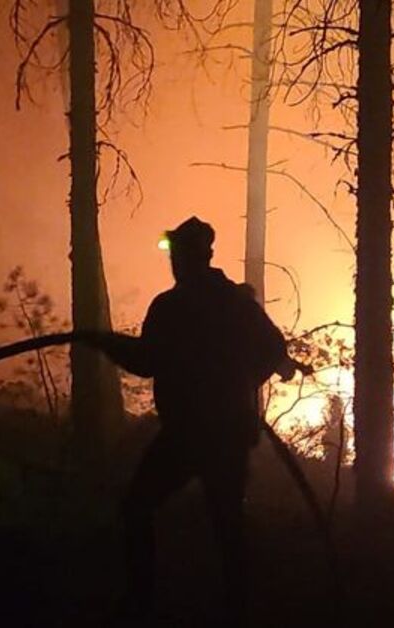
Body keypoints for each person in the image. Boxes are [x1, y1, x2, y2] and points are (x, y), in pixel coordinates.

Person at [83, 216, 298, 624]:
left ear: (194, 257)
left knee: (139, 508)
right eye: (174, 254)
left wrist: (107, 344)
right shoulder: (236, 304)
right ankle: (235, 608)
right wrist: (244, 385)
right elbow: (273, 350)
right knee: (227, 523)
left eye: (180, 255)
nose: (175, 263)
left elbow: (145, 361)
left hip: (190, 434)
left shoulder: (172, 307)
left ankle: (142, 602)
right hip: (226, 433)